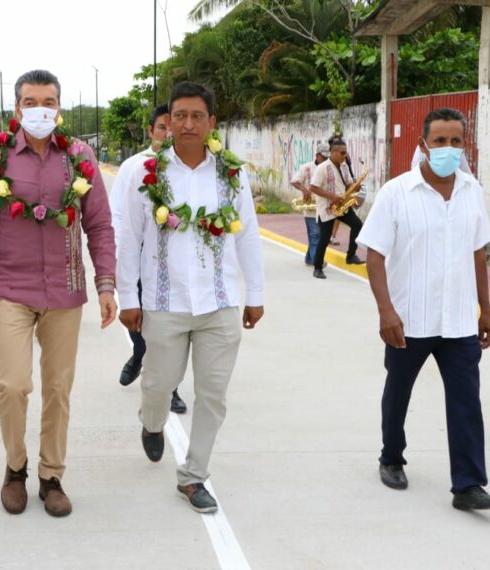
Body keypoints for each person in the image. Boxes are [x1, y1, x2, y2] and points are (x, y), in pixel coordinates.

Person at [0, 69, 117, 518]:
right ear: (17, 109)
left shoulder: (79, 158)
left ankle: (51, 476)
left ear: (59, 108)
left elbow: (100, 226)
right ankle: (16, 468)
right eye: (30, 102)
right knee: (12, 385)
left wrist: (105, 283)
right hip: (11, 288)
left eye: (47, 101)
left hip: (66, 292)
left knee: (57, 388)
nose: (39, 110)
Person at [117, 81, 265, 514]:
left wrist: (254, 294)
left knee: (213, 395)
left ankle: (193, 475)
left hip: (219, 303)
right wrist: (129, 296)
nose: (186, 123)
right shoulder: (146, 173)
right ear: (167, 122)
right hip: (164, 303)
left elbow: (249, 235)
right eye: (178, 115)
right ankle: (151, 424)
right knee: (158, 386)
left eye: (196, 116)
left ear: (212, 123)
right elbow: (130, 238)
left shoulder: (231, 173)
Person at [357, 107, 490, 511]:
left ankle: (469, 485)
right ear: (423, 145)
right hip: (410, 318)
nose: (448, 148)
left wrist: (486, 309)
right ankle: (391, 457)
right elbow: (374, 256)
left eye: (456, 141)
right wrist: (386, 311)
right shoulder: (396, 193)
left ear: (464, 146)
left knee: (466, 400)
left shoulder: (471, 191)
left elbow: (478, 252)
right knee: (398, 392)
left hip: (457, 320)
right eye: (439, 141)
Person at [109, 104, 186, 414]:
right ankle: (140, 353)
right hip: (138, 259)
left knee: (168, 330)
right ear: (151, 132)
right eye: (161, 129)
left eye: (172, 128)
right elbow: (117, 214)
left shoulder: (188, 167)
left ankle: (172, 390)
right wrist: (118, 256)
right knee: (137, 319)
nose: (167, 135)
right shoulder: (133, 166)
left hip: (172, 263)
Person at [308, 137, 365, 279]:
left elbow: (347, 185)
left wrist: (355, 187)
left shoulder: (344, 167)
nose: (345, 156)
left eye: (345, 153)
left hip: (342, 206)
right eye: (342, 153)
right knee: (325, 238)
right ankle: (317, 267)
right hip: (328, 208)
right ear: (333, 152)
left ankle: (351, 255)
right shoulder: (322, 168)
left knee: (358, 225)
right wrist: (332, 197)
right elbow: (313, 187)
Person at [289, 144, 330, 266]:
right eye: (323, 157)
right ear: (317, 156)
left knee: (320, 235)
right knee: (315, 234)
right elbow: (294, 181)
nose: (326, 159)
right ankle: (316, 260)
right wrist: (304, 190)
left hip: (324, 208)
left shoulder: (329, 168)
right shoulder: (306, 167)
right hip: (310, 208)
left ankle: (309, 258)